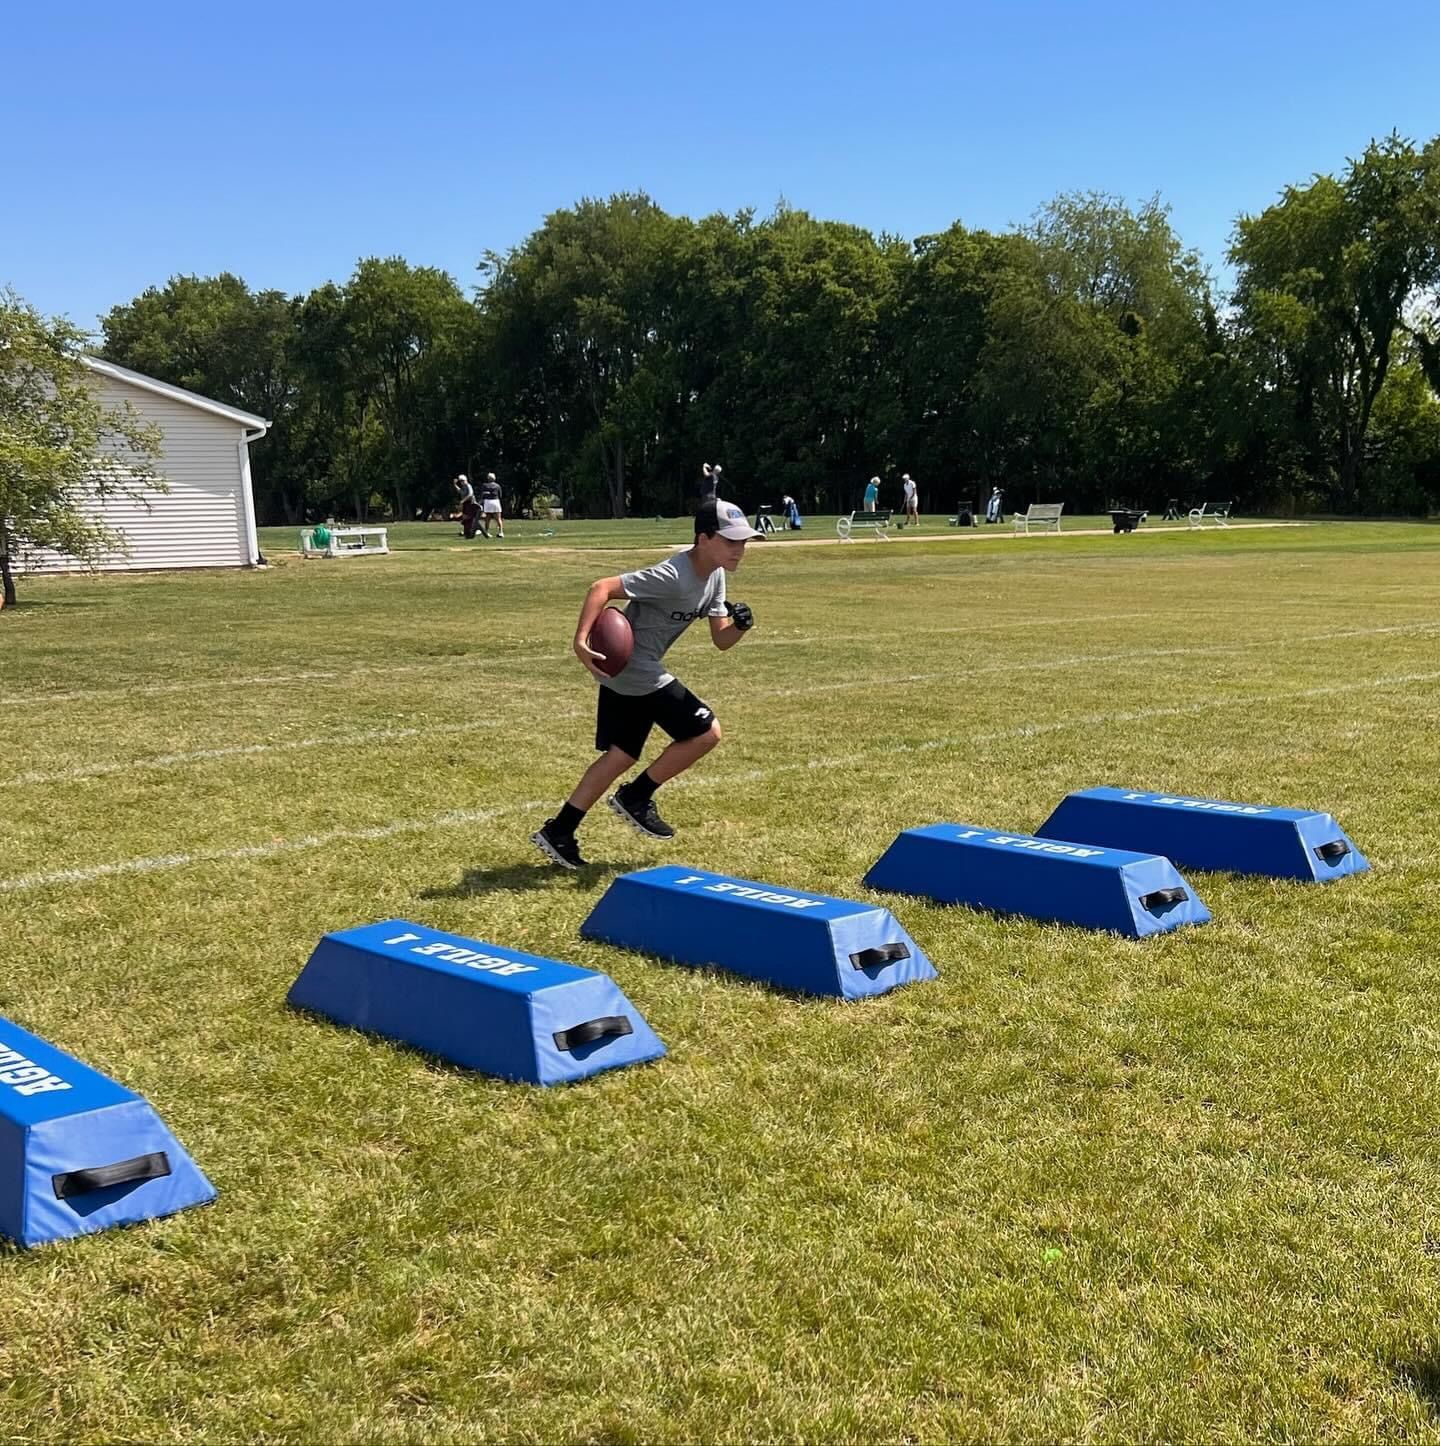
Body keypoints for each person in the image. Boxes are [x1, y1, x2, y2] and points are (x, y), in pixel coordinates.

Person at [531, 498, 761, 869]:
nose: (740, 550)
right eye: (731, 541)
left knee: (622, 754)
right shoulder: (673, 574)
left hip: (631, 671)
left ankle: (560, 830)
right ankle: (636, 797)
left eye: (744, 542)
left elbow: (721, 641)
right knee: (706, 732)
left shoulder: (716, 575)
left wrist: (741, 625)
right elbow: (601, 587)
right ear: (703, 538)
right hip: (634, 667)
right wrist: (581, 641)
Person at [453, 474, 479, 539]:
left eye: (462, 481)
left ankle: (473, 530)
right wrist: (455, 485)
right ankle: (466, 531)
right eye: (460, 481)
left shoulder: (468, 485)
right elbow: (460, 492)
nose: (461, 482)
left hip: (470, 503)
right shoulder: (463, 487)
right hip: (466, 503)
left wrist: (463, 500)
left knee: (469, 517)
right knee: (465, 517)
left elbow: (470, 494)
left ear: (465, 480)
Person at [479, 473, 504, 538]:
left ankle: (486, 532)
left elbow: (482, 494)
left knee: (487, 518)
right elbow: (500, 495)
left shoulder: (484, 485)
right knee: (498, 518)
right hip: (496, 501)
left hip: (488, 502)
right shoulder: (498, 486)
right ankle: (501, 532)